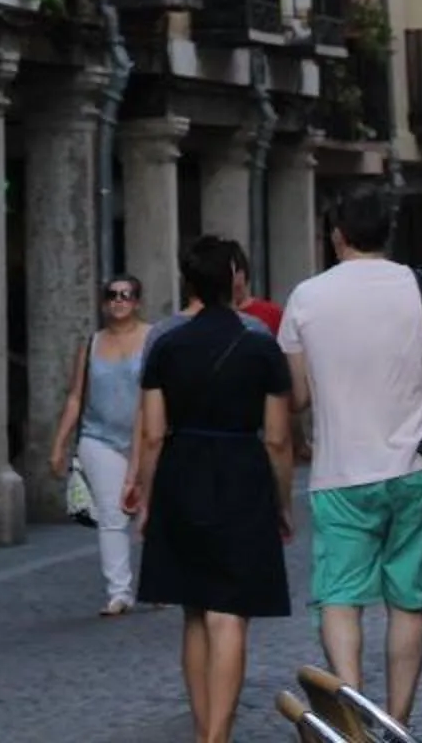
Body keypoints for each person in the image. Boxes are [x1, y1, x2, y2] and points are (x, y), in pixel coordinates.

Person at [280, 193, 422, 728]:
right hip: (416, 466)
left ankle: (353, 707)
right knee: (409, 598)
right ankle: (397, 719)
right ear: (387, 233)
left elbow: (295, 396)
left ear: (336, 234)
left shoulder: (306, 297)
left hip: (339, 471)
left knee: (339, 596)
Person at [130, 236, 294, 743]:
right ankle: (216, 736)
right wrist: (283, 503)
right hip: (241, 471)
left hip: (183, 470)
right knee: (230, 616)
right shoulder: (261, 346)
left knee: (194, 609)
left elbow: (153, 433)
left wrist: (147, 497)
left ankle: (205, 727)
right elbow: (278, 438)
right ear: (234, 280)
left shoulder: (165, 345)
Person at [48, 274, 151, 616]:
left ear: (137, 301)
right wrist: (60, 443)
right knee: (111, 514)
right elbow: (77, 397)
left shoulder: (153, 339)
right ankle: (119, 591)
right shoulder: (91, 344)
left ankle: (162, 581)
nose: (119, 300)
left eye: (126, 295)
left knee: (158, 511)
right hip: (99, 437)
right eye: (112, 295)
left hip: (149, 436)